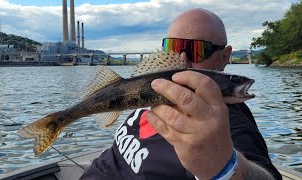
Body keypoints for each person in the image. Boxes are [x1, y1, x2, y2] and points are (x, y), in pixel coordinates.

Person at [80, 8, 282, 180]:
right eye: (173, 47)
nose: (183, 58)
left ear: (224, 57)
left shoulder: (227, 124)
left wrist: (228, 167)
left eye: (197, 49)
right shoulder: (153, 91)